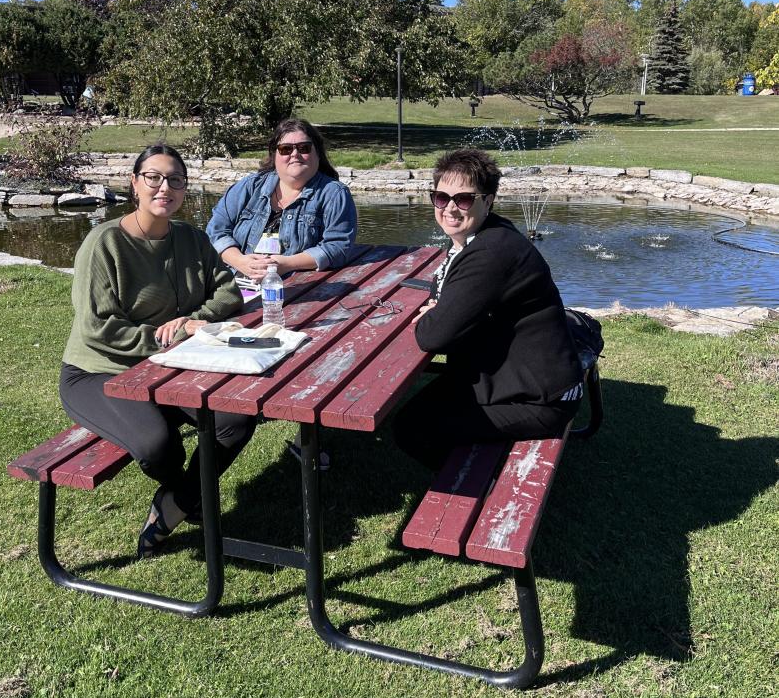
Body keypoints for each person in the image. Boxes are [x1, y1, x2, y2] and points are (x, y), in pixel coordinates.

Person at [59, 144, 256, 558]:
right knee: (157, 445)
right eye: (154, 177)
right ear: (134, 183)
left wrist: (191, 321)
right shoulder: (104, 243)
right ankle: (190, 496)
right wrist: (170, 336)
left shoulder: (191, 238)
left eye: (175, 180)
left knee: (235, 417)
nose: (164, 187)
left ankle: (175, 503)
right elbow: (98, 329)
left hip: (170, 367)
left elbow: (228, 291)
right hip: (100, 371)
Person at [393, 148, 583, 471]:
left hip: (541, 401)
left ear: (489, 200)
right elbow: (446, 303)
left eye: (464, 199)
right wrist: (442, 313)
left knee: (411, 428)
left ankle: (475, 488)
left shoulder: (491, 252)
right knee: (423, 409)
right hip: (519, 379)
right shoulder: (482, 236)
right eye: (440, 197)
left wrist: (433, 318)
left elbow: (433, 335)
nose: (450, 208)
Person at [206, 118, 357, 294]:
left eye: (304, 148)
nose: (294, 154)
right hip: (231, 282)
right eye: (285, 149)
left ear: (317, 153)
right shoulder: (250, 186)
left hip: (293, 289)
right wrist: (240, 261)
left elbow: (338, 247)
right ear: (274, 155)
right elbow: (215, 231)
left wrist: (285, 264)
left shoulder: (334, 194)